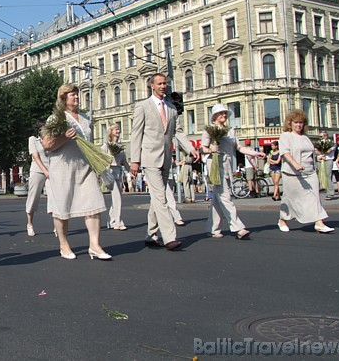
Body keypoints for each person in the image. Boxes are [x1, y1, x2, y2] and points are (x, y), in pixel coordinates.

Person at [130, 73, 199, 251]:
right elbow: (136, 134)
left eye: (165, 84)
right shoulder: (143, 106)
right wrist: (135, 160)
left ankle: (151, 235)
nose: (163, 86)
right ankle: (170, 237)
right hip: (150, 158)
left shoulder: (172, 108)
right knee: (161, 197)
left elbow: (179, 132)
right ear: (152, 86)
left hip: (166, 158)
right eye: (160, 84)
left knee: (156, 199)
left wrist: (191, 148)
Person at [41, 83, 110, 260]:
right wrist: (64, 137)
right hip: (62, 169)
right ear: (63, 98)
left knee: (93, 203)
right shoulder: (56, 119)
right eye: (72, 94)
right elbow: (47, 145)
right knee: (62, 207)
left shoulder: (86, 118)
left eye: (77, 94)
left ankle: (94, 245)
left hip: (84, 167)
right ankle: (64, 245)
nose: (76, 97)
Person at [201, 104, 265, 240]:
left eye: (225, 113)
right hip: (215, 164)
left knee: (218, 200)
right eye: (221, 113)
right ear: (215, 116)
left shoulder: (231, 131)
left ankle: (212, 228)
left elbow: (239, 147)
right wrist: (211, 149)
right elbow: (203, 148)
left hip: (228, 164)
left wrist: (254, 153)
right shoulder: (209, 130)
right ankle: (238, 227)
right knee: (225, 196)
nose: (223, 115)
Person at [277, 110, 334, 234]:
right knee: (290, 199)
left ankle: (319, 222)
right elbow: (285, 153)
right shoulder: (286, 136)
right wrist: (295, 164)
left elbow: (310, 154)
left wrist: (318, 158)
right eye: (296, 122)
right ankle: (283, 219)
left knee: (314, 197)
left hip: (309, 172)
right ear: (290, 123)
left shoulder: (306, 138)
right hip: (292, 173)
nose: (298, 125)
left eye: (301, 123)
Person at [102, 123, 130, 231]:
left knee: (117, 198)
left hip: (119, 172)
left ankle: (111, 221)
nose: (118, 131)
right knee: (117, 197)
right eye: (116, 130)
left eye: (119, 129)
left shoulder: (120, 147)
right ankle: (118, 222)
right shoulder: (106, 145)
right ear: (111, 132)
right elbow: (101, 157)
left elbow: (124, 162)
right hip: (110, 172)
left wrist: (131, 171)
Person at [25, 119, 50, 237]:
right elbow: (35, 157)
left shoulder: (51, 139)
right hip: (38, 170)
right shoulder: (33, 140)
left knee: (54, 197)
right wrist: (45, 171)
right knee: (33, 196)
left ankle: (57, 225)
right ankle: (29, 224)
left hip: (51, 170)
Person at [316, 131, 337, 200]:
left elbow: (330, 150)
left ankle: (330, 193)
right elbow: (315, 151)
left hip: (328, 160)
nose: (320, 138)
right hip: (320, 160)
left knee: (328, 176)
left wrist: (324, 154)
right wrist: (321, 155)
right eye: (319, 137)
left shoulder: (331, 143)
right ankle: (318, 192)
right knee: (320, 176)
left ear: (326, 136)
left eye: (321, 137)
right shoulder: (318, 143)